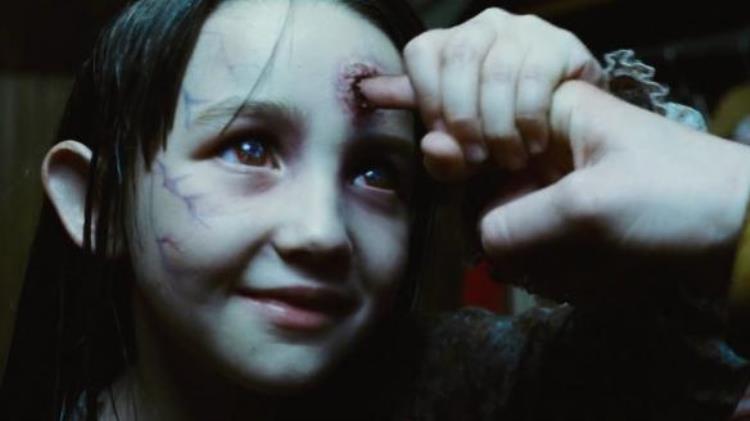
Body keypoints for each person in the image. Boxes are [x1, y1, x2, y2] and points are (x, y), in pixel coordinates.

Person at [2, 0, 750, 419]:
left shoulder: (482, 393)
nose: (322, 232)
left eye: (374, 171)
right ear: (99, 204)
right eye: (250, 149)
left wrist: (709, 198)